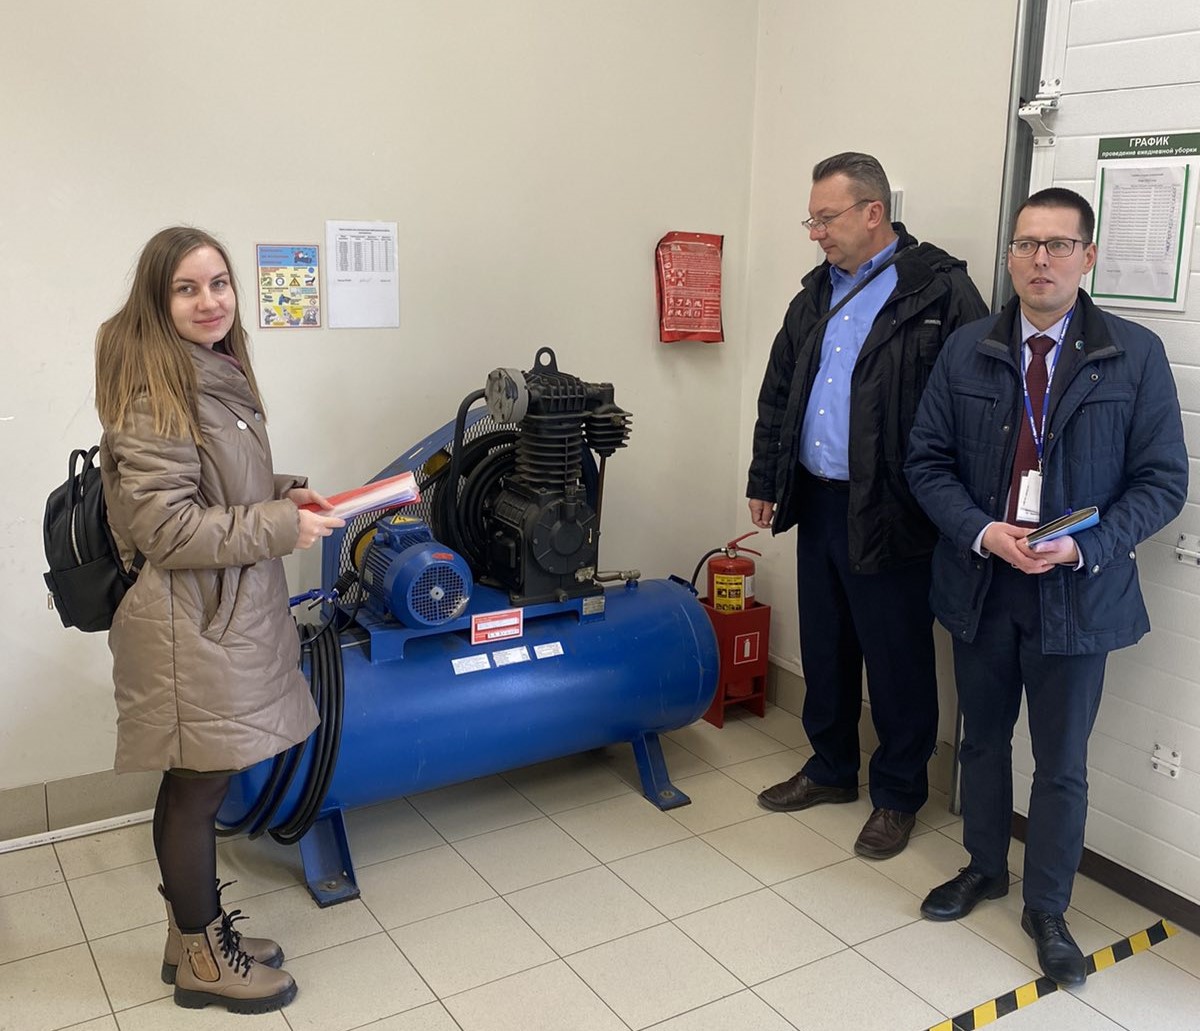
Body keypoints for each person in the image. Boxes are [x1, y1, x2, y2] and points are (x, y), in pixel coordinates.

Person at [904, 188, 1187, 986]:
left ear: (1087, 257)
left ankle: (1049, 906)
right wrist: (983, 530)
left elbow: (1163, 481)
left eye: (1059, 245)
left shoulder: (1134, 355)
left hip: (1077, 595)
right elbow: (926, 460)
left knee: (1062, 761)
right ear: (1010, 257)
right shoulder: (967, 349)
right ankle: (984, 866)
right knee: (982, 740)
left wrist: (1084, 546)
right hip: (983, 583)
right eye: (1027, 244)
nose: (1041, 259)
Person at [95, 227, 345, 1014]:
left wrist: (284, 492)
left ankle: (189, 940)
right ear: (158, 299)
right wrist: (281, 525)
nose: (210, 301)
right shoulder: (155, 390)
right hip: (187, 626)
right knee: (198, 789)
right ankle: (206, 961)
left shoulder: (206, 369)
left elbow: (211, 483)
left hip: (210, 618)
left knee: (192, 782)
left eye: (219, 283)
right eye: (187, 288)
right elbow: (167, 530)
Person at [747, 152, 987, 859]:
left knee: (896, 657)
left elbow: (977, 407)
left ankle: (899, 793)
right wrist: (766, 478)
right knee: (825, 644)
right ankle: (830, 767)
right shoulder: (813, 295)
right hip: (818, 498)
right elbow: (779, 392)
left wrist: (957, 508)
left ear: (873, 212)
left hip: (895, 508)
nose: (816, 232)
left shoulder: (940, 292)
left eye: (826, 218)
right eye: (812, 219)